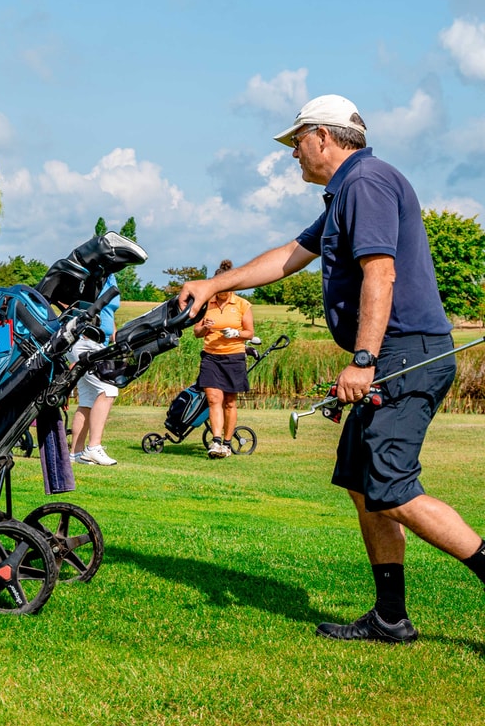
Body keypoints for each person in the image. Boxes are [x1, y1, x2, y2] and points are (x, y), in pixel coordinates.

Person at [178, 93, 485, 644]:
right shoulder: (345, 192)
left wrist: (364, 360)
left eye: (296, 140)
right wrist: (215, 284)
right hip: (394, 353)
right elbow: (288, 257)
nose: (293, 152)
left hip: (404, 354)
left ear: (324, 136)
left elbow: (381, 274)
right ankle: (391, 616)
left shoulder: (365, 185)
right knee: (365, 487)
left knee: (390, 487)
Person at [192, 260, 255, 458]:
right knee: (213, 399)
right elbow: (196, 332)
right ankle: (216, 442)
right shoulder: (206, 303)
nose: (222, 292)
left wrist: (235, 332)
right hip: (211, 357)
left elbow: (250, 333)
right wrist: (205, 327)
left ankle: (227, 444)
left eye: (226, 288)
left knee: (229, 402)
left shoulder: (242, 304)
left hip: (234, 357)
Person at [68, 272, 121, 466]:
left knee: (88, 399)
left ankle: (75, 453)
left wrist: (114, 337)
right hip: (86, 341)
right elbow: (71, 304)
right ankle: (93, 447)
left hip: (101, 344)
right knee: (108, 389)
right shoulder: (90, 277)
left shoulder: (111, 278)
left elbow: (109, 312)